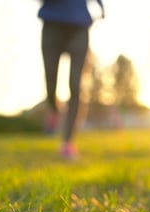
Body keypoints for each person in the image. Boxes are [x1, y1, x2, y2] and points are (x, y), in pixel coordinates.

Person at [38, 0, 105, 159]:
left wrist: (101, 7)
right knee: (50, 79)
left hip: (79, 25)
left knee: (76, 85)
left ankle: (67, 142)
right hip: (52, 23)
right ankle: (54, 109)